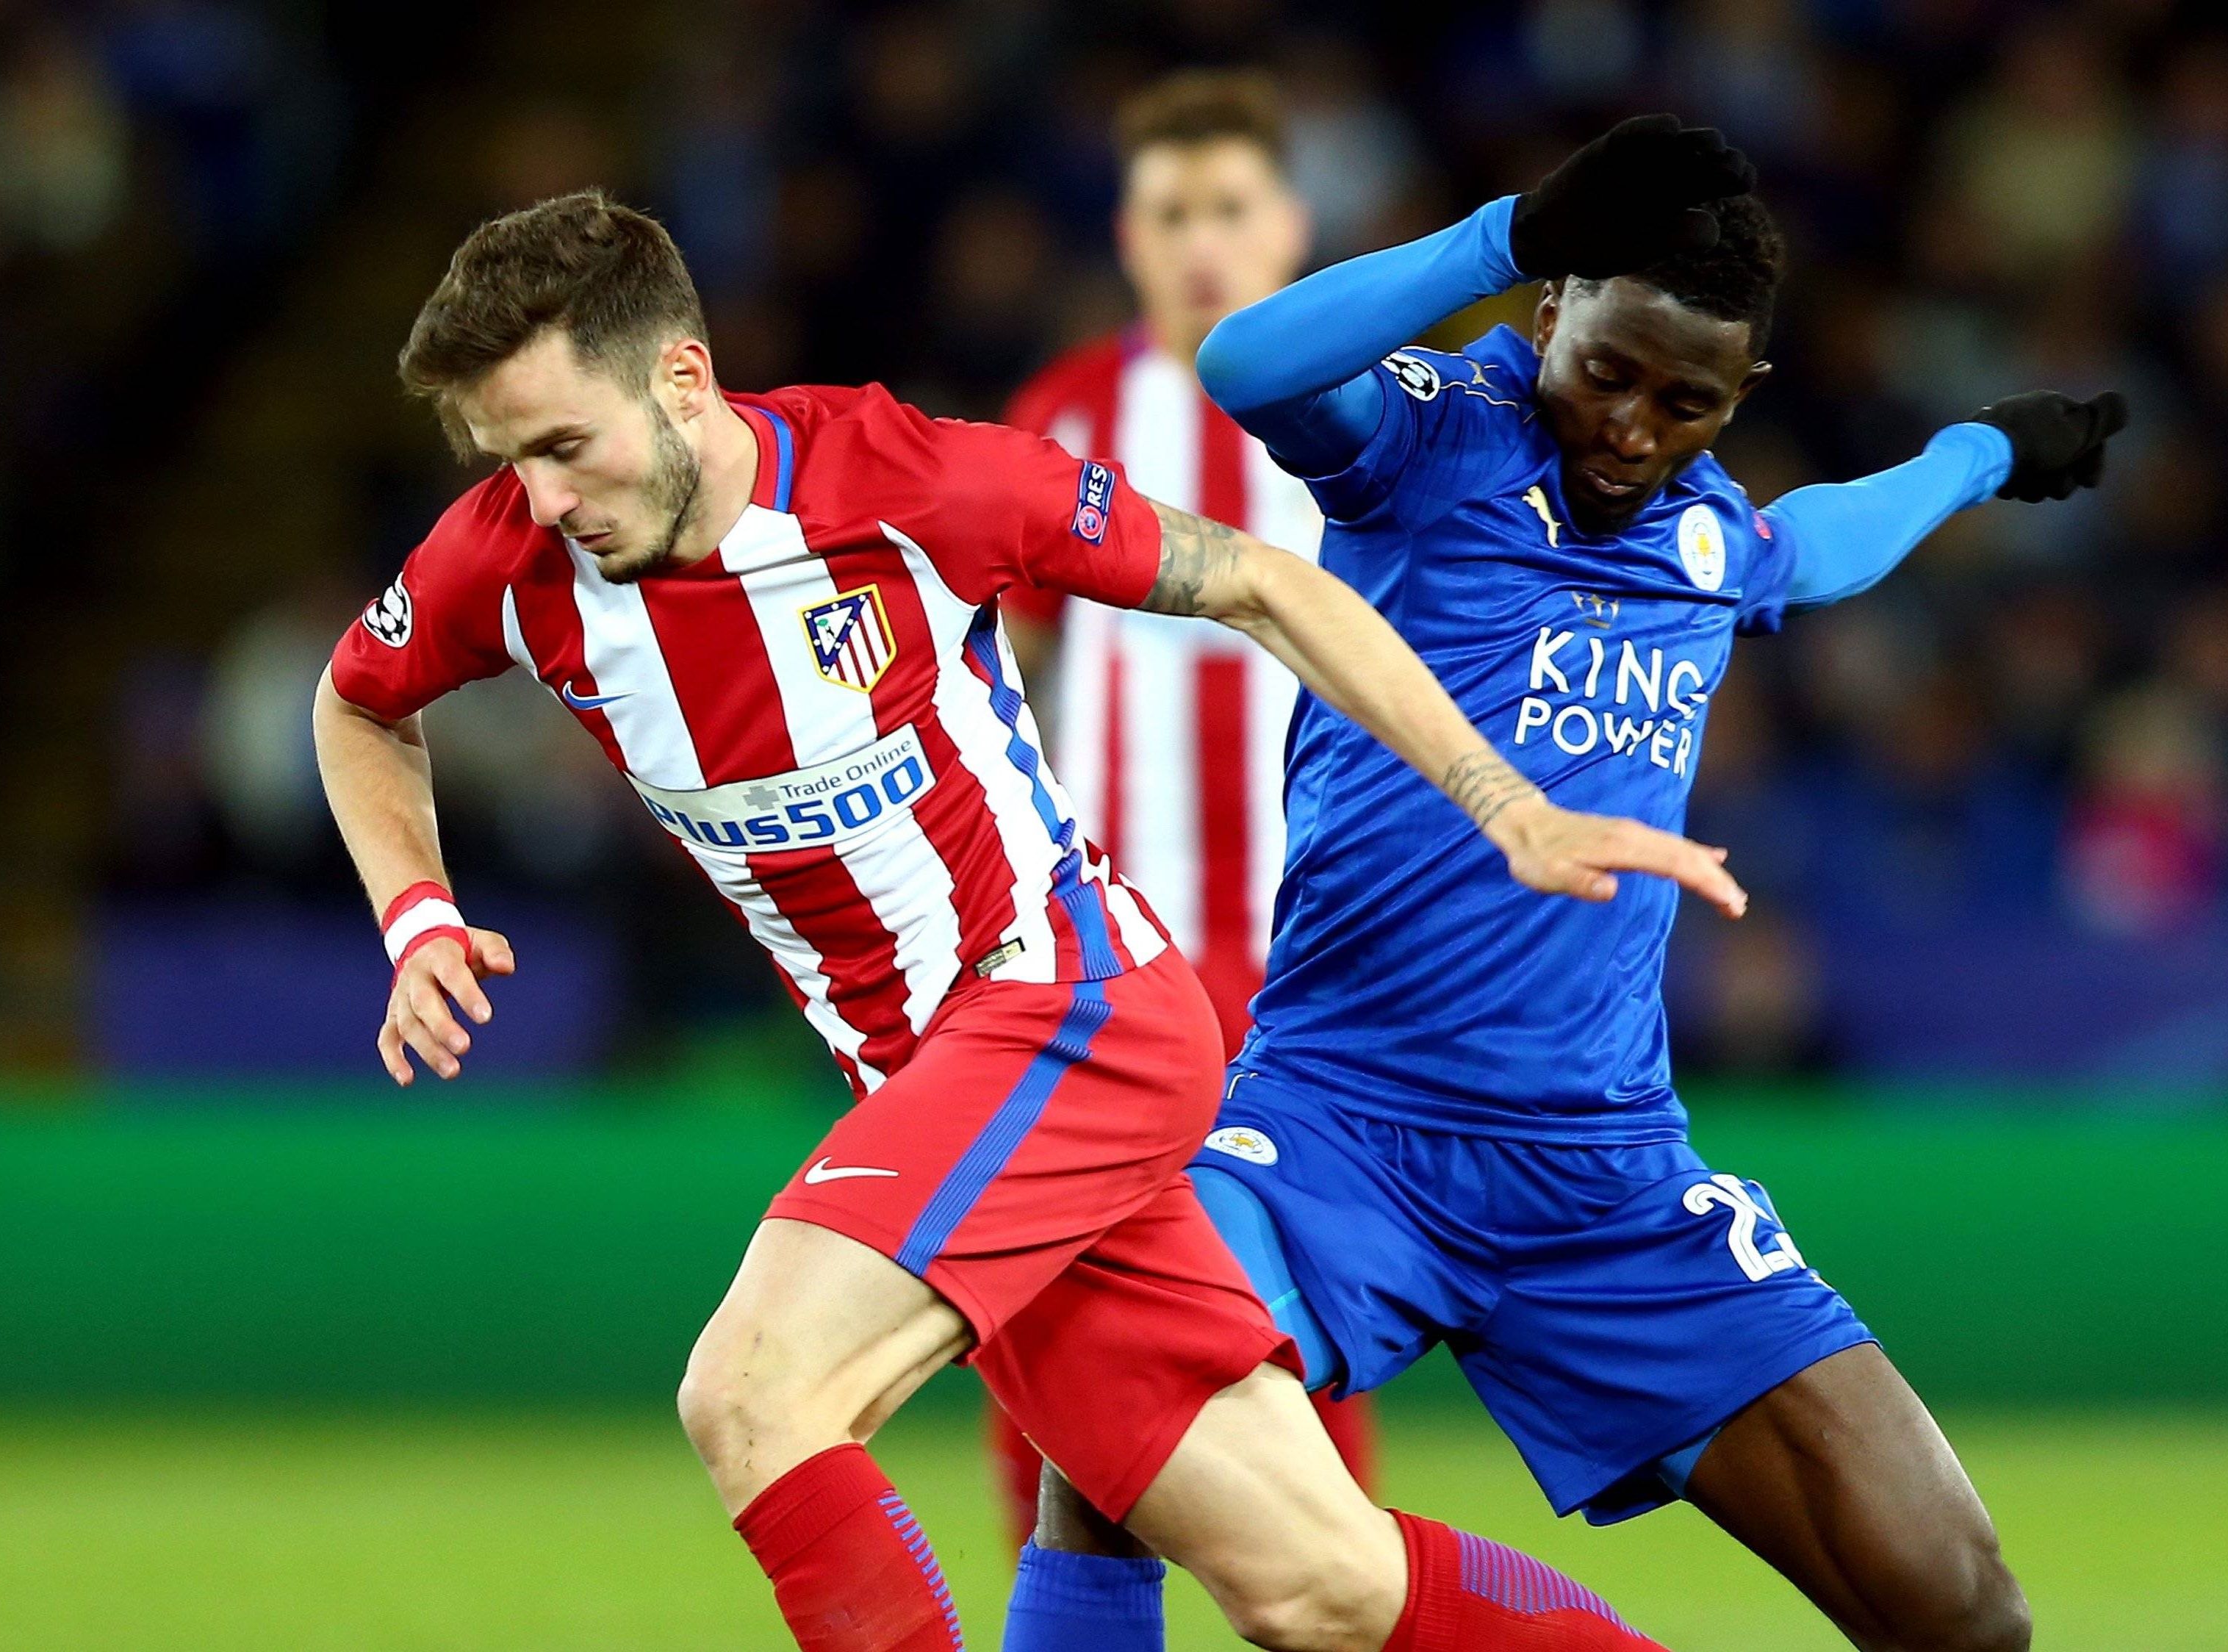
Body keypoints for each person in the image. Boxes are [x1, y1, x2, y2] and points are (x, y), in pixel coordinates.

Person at [316, 189, 1753, 1652]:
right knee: (1319, 1584)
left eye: (565, 445)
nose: (542, 497)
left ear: (682, 376)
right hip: (955, 1092)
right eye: (510, 460)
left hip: (1066, 1013)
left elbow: (1260, 580)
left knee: (755, 1391)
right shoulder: (508, 557)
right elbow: (356, 700)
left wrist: (1502, 802)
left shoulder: (912, 483)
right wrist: (415, 911)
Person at [1001, 118, 2127, 1652]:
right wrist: (1503, 234)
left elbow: (1817, 547)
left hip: (1603, 1170)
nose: (1631, 429)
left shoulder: (1711, 530)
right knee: (1126, 1414)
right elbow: (1248, 361)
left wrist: (1979, 451)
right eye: (1607, 371)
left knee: (1961, 1607)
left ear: (1739, 401)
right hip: (1338, 1126)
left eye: (1688, 402)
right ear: (1551, 318)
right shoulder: (1430, 443)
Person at [990, 68, 1376, 1556]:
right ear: (1127, 235)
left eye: (1230, 208)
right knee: (1049, 1314)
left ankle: (1333, 1592)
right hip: (1109, 956)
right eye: (1172, 213)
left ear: (1289, 224)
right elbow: (1000, 673)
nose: (1203, 241)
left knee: (1304, 1329)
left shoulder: (1372, 412)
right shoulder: (1070, 416)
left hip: (1313, 969)